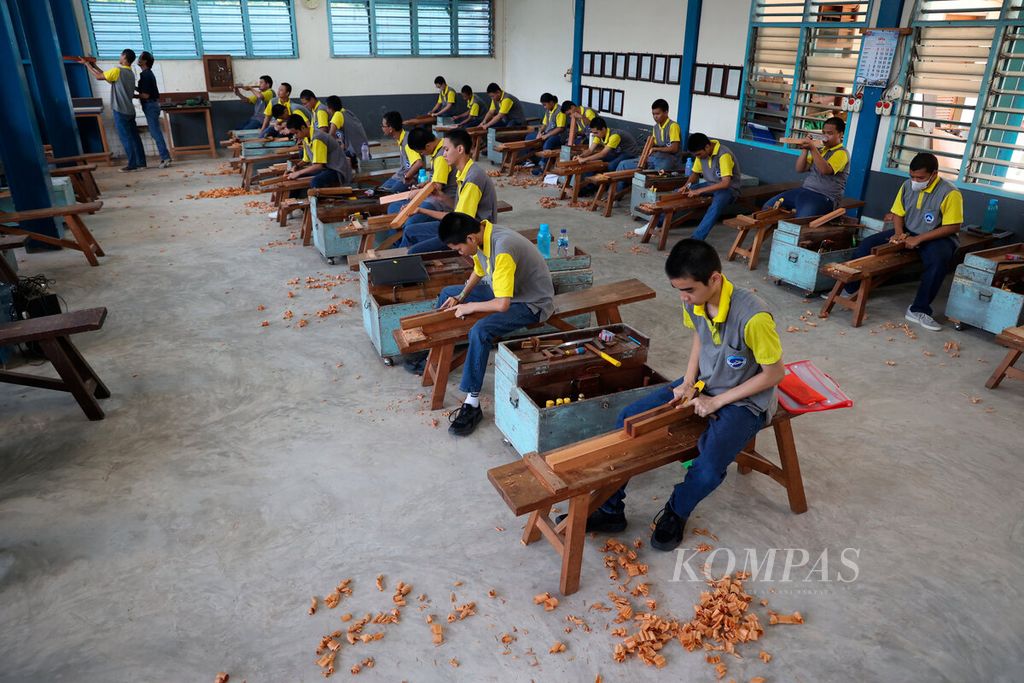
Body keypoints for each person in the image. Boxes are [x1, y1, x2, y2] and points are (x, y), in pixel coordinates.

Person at [568, 239, 784, 551]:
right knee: (627, 418)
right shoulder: (695, 300)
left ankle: (676, 511)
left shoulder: (754, 318)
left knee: (708, 468)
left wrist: (717, 401)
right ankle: (610, 509)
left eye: (689, 290)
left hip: (745, 399)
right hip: (704, 384)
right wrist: (688, 382)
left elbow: (775, 374)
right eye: (678, 290)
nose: (684, 297)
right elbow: (700, 337)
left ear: (714, 279)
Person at [431, 212, 555, 437]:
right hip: (509, 291)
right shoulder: (483, 235)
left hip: (531, 302)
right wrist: (461, 297)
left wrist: (470, 307)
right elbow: (479, 270)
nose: (460, 253)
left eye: (458, 249)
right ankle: (436, 351)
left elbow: (502, 305)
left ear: (470, 239)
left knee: (480, 330)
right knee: (448, 293)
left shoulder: (502, 249)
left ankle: (472, 403)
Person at [839, 153, 962, 332]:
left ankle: (918, 309)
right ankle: (850, 289)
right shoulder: (907, 186)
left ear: (934, 174)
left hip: (938, 236)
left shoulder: (950, 193)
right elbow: (898, 212)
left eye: (920, 177)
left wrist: (918, 239)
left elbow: (953, 226)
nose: (915, 181)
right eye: (912, 176)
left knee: (937, 262)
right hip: (909, 231)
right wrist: (899, 233)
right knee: (867, 245)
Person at [398, 127, 497, 255]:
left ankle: (401, 263)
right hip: (460, 226)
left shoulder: (473, 179)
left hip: (468, 236)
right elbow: (458, 212)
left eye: (446, 149)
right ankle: (397, 261)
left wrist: (423, 210)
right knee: (410, 230)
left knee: (414, 251)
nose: (443, 154)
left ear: (460, 149)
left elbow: (461, 222)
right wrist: (442, 198)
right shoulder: (463, 173)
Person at [633, 133, 741, 240]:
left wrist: (699, 191)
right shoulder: (701, 153)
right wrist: (686, 186)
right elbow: (694, 173)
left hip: (729, 189)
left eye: (698, 154)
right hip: (711, 185)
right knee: (678, 193)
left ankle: (696, 239)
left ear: (707, 147)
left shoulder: (723, 155)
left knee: (715, 206)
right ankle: (655, 224)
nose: (698, 157)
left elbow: (725, 183)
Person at [762, 116, 849, 217]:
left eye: (829, 134)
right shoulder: (820, 151)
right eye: (824, 133)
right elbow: (800, 168)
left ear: (841, 134)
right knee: (767, 208)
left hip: (825, 197)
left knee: (800, 220)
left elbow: (825, 170)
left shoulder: (842, 153)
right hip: (805, 190)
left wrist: (812, 148)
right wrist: (805, 149)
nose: (825, 137)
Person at [81, 49, 145, 172]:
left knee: (126, 138)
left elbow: (99, 77)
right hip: (130, 110)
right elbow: (107, 77)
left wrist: (87, 65)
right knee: (134, 137)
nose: (119, 57)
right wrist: (95, 66)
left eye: (121, 55)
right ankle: (141, 163)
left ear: (124, 57)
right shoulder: (130, 73)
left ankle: (132, 165)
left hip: (120, 110)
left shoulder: (118, 70)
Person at [387, 127, 458, 230]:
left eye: (421, 152)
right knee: (394, 208)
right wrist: (426, 184)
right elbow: (437, 180)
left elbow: (437, 188)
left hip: (444, 201)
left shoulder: (441, 158)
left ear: (428, 146)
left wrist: (418, 193)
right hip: (437, 197)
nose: (422, 155)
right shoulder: (439, 149)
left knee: (409, 222)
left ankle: (404, 242)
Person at [572, 116, 641, 196]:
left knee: (611, 166)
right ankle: (590, 187)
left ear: (603, 129)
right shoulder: (598, 135)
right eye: (593, 133)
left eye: (596, 133)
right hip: (618, 152)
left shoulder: (615, 135)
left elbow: (602, 154)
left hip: (630, 153)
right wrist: (580, 156)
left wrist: (585, 159)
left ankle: (608, 186)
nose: (594, 135)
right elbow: (590, 150)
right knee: (592, 162)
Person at [282, 113, 353, 189]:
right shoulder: (305, 137)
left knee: (315, 182)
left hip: (337, 169)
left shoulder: (318, 138)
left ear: (302, 128)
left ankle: (325, 199)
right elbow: (306, 159)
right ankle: (296, 200)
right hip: (326, 167)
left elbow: (318, 166)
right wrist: (295, 167)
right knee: (296, 175)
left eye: (296, 133)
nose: (295, 136)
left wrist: (298, 173)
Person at [618, 99, 682, 179]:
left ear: (666, 112)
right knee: (623, 164)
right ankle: (614, 191)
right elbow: (654, 144)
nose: (655, 116)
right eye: (653, 114)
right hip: (656, 157)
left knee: (653, 177)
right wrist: (647, 151)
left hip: (670, 160)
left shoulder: (673, 126)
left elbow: (674, 148)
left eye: (658, 114)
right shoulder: (655, 127)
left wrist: (656, 149)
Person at [134, 51, 171, 168]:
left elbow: (146, 95)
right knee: (155, 132)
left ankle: (165, 158)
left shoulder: (146, 75)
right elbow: (143, 91)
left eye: (140, 58)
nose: (138, 60)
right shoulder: (146, 74)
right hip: (151, 105)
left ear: (145, 61)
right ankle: (165, 157)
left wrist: (131, 95)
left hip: (150, 105)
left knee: (155, 133)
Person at [521, 93, 566, 175]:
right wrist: (539, 132)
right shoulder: (548, 111)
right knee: (529, 137)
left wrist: (547, 135)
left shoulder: (560, 111)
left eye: (545, 105)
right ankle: (529, 160)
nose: (544, 107)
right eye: (543, 105)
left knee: (547, 144)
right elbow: (544, 124)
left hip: (558, 136)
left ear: (551, 102)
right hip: (547, 134)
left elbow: (560, 128)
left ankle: (542, 167)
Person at [379, 111, 424, 194]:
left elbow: (419, 163)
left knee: (387, 195)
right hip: (400, 175)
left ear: (391, 128)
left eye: (383, 126)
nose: (382, 127)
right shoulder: (401, 138)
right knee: (380, 191)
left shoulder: (407, 142)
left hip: (410, 179)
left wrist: (406, 177)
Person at [326, 97, 369, 163]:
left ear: (331, 108)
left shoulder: (337, 115)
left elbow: (330, 135)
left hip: (354, 153)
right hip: (363, 149)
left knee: (329, 159)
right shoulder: (347, 112)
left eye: (327, 108)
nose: (326, 110)